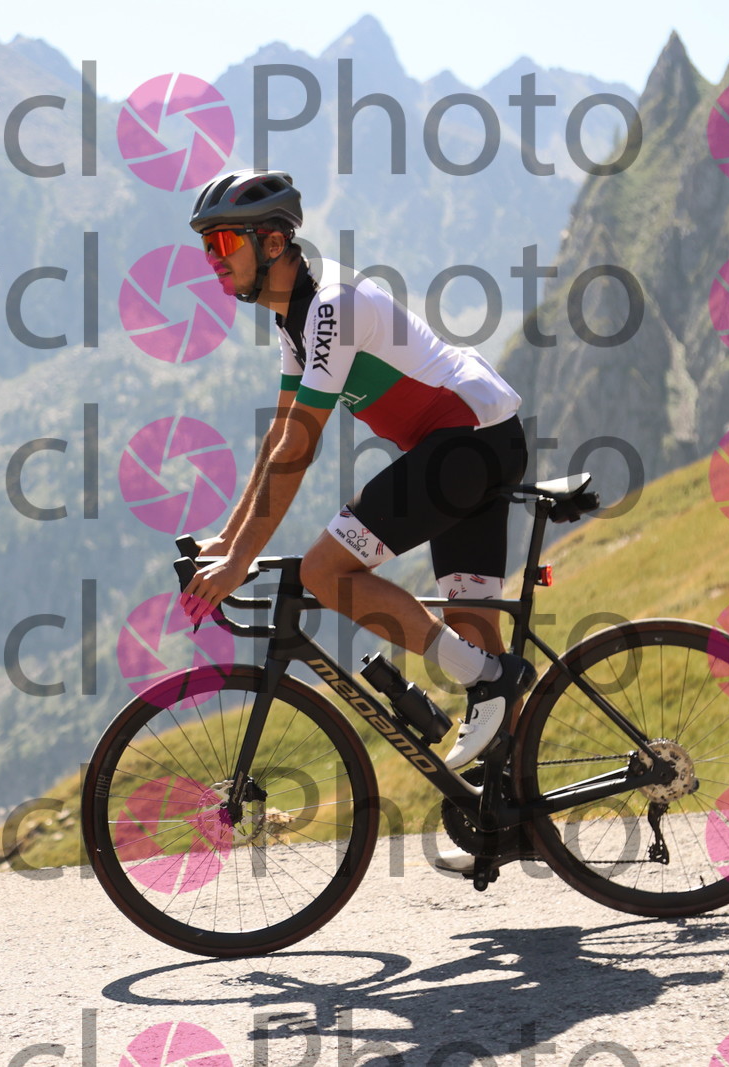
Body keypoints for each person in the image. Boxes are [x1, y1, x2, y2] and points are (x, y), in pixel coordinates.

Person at [177, 169, 532, 870]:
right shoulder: (296, 316)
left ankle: (489, 679)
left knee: (325, 571)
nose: (212, 258)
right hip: (469, 442)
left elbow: (300, 446)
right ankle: (512, 816)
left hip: (468, 441)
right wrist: (228, 538)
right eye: (206, 245)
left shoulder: (330, 307)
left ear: (272, 242)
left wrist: (242, 560)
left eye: (223, 241)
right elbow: (280, 434)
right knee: (474, 628)